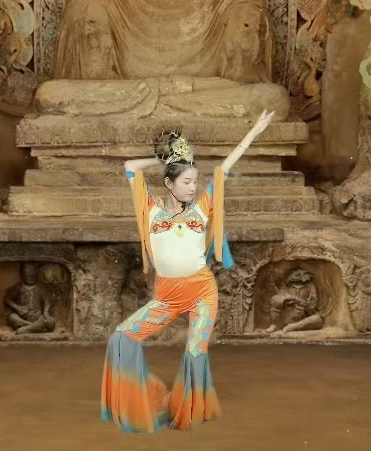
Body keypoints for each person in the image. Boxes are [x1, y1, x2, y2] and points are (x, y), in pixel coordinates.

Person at [101, 110, 275, 433]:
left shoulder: (202, 208)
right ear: (169, 183)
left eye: (195, 181)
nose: (194, 187)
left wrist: (253, 132)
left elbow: (224, 169)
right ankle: (139, 400)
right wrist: (160, 160)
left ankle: (189, 407)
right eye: (187, 181)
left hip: (201, 292)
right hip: (166, 296)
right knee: (122, 338)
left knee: (195, 352)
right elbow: (129, 167)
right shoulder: (150, 209)